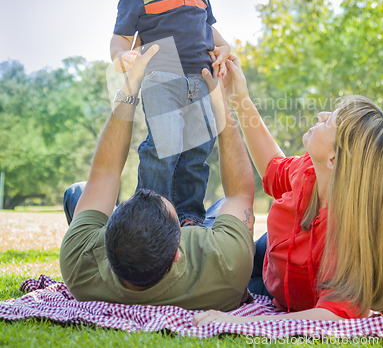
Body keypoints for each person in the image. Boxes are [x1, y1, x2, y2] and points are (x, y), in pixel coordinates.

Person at [193, 55, 383, 325]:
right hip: (271, 258)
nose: (320, 115)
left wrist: (240, 322)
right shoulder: (309, 169)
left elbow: (332, 316)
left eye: (328, 121)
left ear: (333, 159)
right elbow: (272, 167)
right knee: (222, 214)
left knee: (217, 261)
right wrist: (240, 99)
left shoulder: (345, 239)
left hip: (274, 286)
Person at [59, 45, 255, 311]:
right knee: (223, 206)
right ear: (178, 251)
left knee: (77, 192)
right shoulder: (226, 265)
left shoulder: (80, 264)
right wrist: (221, 106)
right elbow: (240, 193)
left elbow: (104, 174)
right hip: (205, 251)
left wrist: (129, 89)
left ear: (105, 237)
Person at [110, 0, 230, 227]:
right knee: (165, 145)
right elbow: (120, 38)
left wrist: (226, 48)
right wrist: (122, 56)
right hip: (163, 75)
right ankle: (152, 213)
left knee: (197, 152)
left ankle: (189, 214)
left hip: (202, 77)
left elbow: (209, 28)